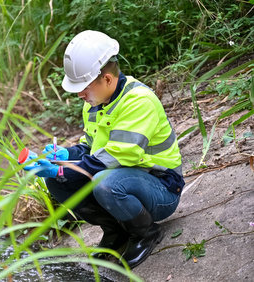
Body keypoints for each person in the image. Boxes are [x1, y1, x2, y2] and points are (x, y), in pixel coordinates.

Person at [24, 30, 185, 269]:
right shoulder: (94, 103)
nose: (80, 94)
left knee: (104, 181)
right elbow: (91, 148)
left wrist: (62, 170)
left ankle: (145, 232)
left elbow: (113, 158)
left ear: (107, 79)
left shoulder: (139, 101)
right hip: (120, 176)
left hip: (161, 187)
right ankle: (115, 231)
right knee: (59, 182)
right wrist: (66, 155)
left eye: (84, 87)